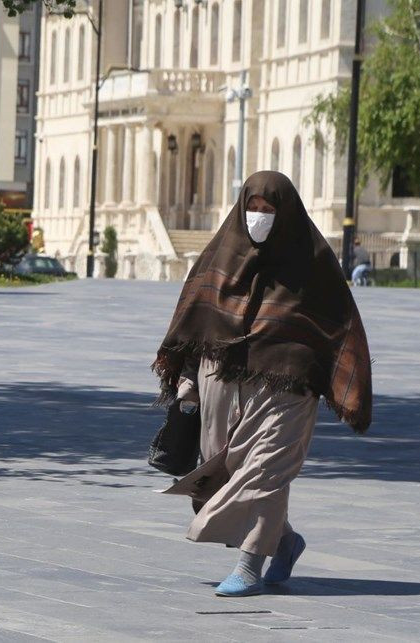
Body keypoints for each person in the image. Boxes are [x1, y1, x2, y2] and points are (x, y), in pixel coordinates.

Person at [153, 171, 372, 598]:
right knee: (230, 473)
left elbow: (337, 328)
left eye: (268, 211)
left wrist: (323, 377)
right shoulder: (219, 258)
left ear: (285, 214)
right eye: (252, 208)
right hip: (222, 387)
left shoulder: (312, 265)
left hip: (287, 391)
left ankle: (250, 564)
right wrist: (187, 385)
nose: (258, 217)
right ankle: (285, 542)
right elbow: (193, 324)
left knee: (265, 474)